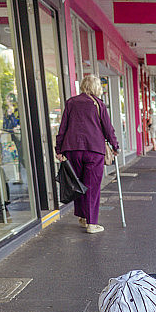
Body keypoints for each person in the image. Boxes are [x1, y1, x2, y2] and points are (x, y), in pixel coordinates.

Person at [55, 74, 119, 234]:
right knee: (92, 186)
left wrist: (59, 149)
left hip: (72, 149)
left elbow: (63, 127)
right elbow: (108, 128)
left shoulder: (71, 102)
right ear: (96, 87)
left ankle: (83, 217)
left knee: (78, 184)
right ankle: (92, 223)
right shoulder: (99, 104)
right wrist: (115, 145)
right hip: (94, 150)